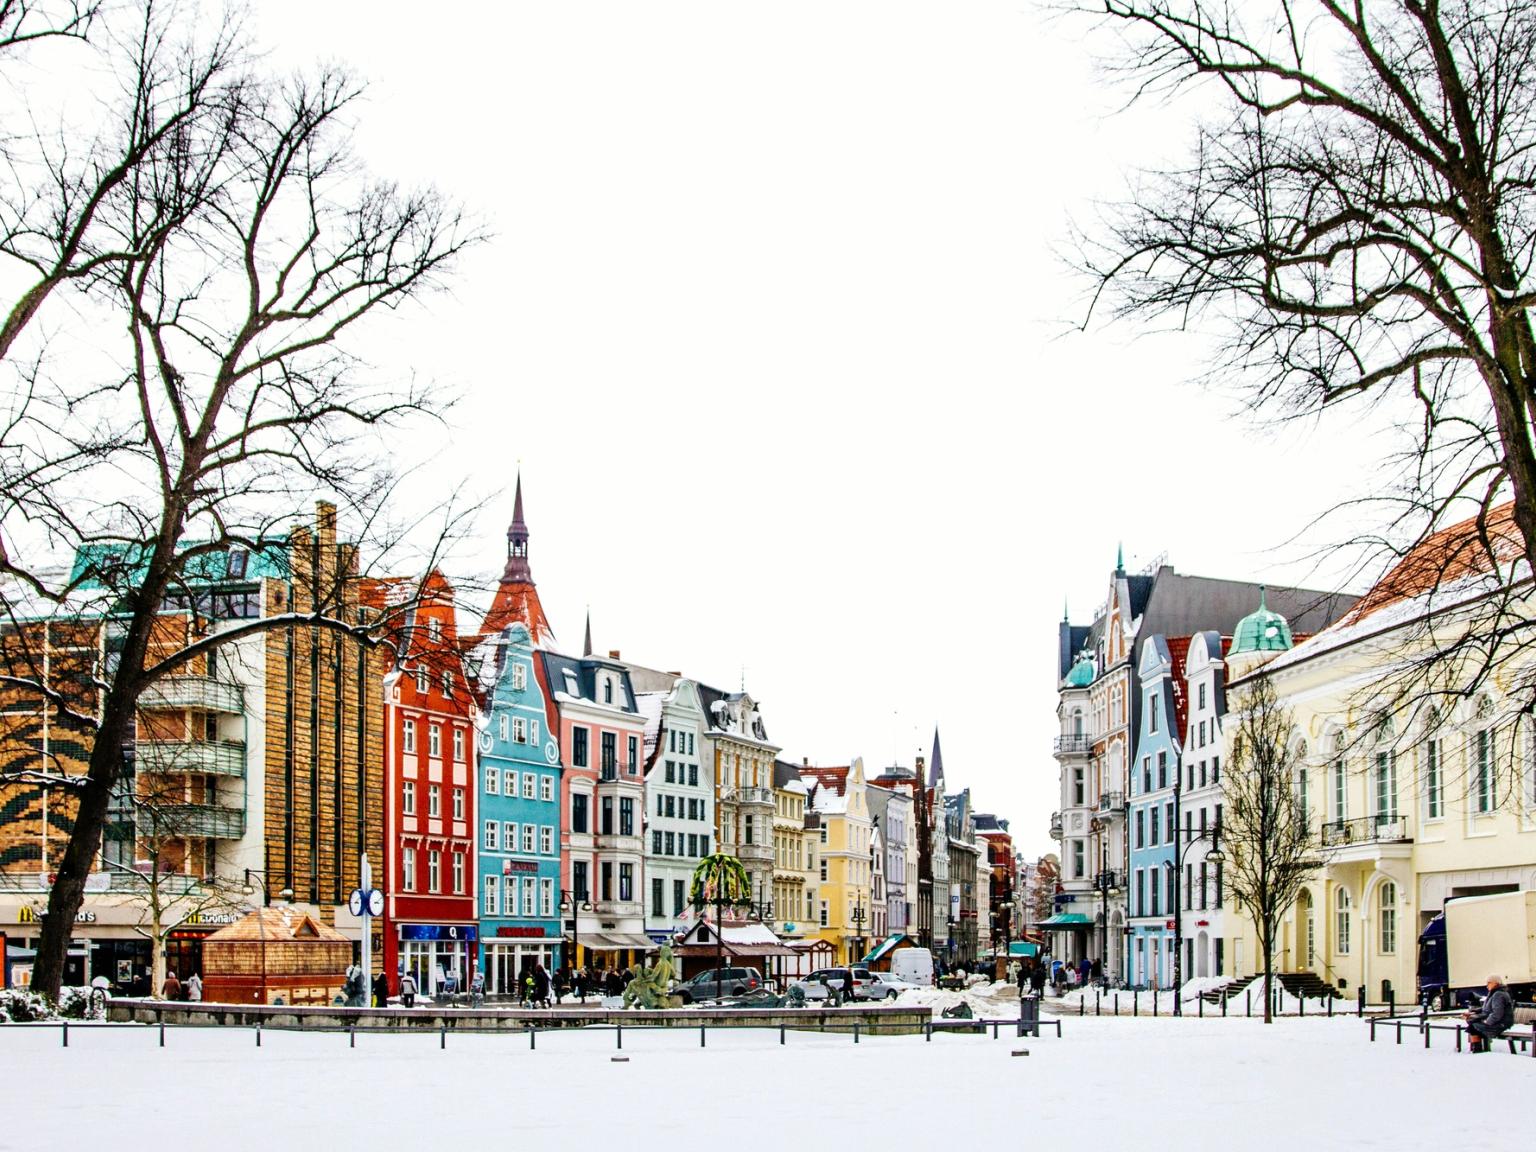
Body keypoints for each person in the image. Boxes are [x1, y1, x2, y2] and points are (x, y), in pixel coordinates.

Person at [1466, 974, 1515, 1053]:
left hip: (1501, 1023)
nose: (1486, 985)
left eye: (1488, 982)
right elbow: (1486, 1008)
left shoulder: (1498, 994)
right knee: (1472, 1023)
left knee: (1473, 1027)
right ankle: (1477, 1049)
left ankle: (1477, 1050)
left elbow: (1497, 1013)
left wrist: (1487, 1022)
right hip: (1498, 1022)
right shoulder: (1494, 993)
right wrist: (1473, 1012)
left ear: (1495, 983)